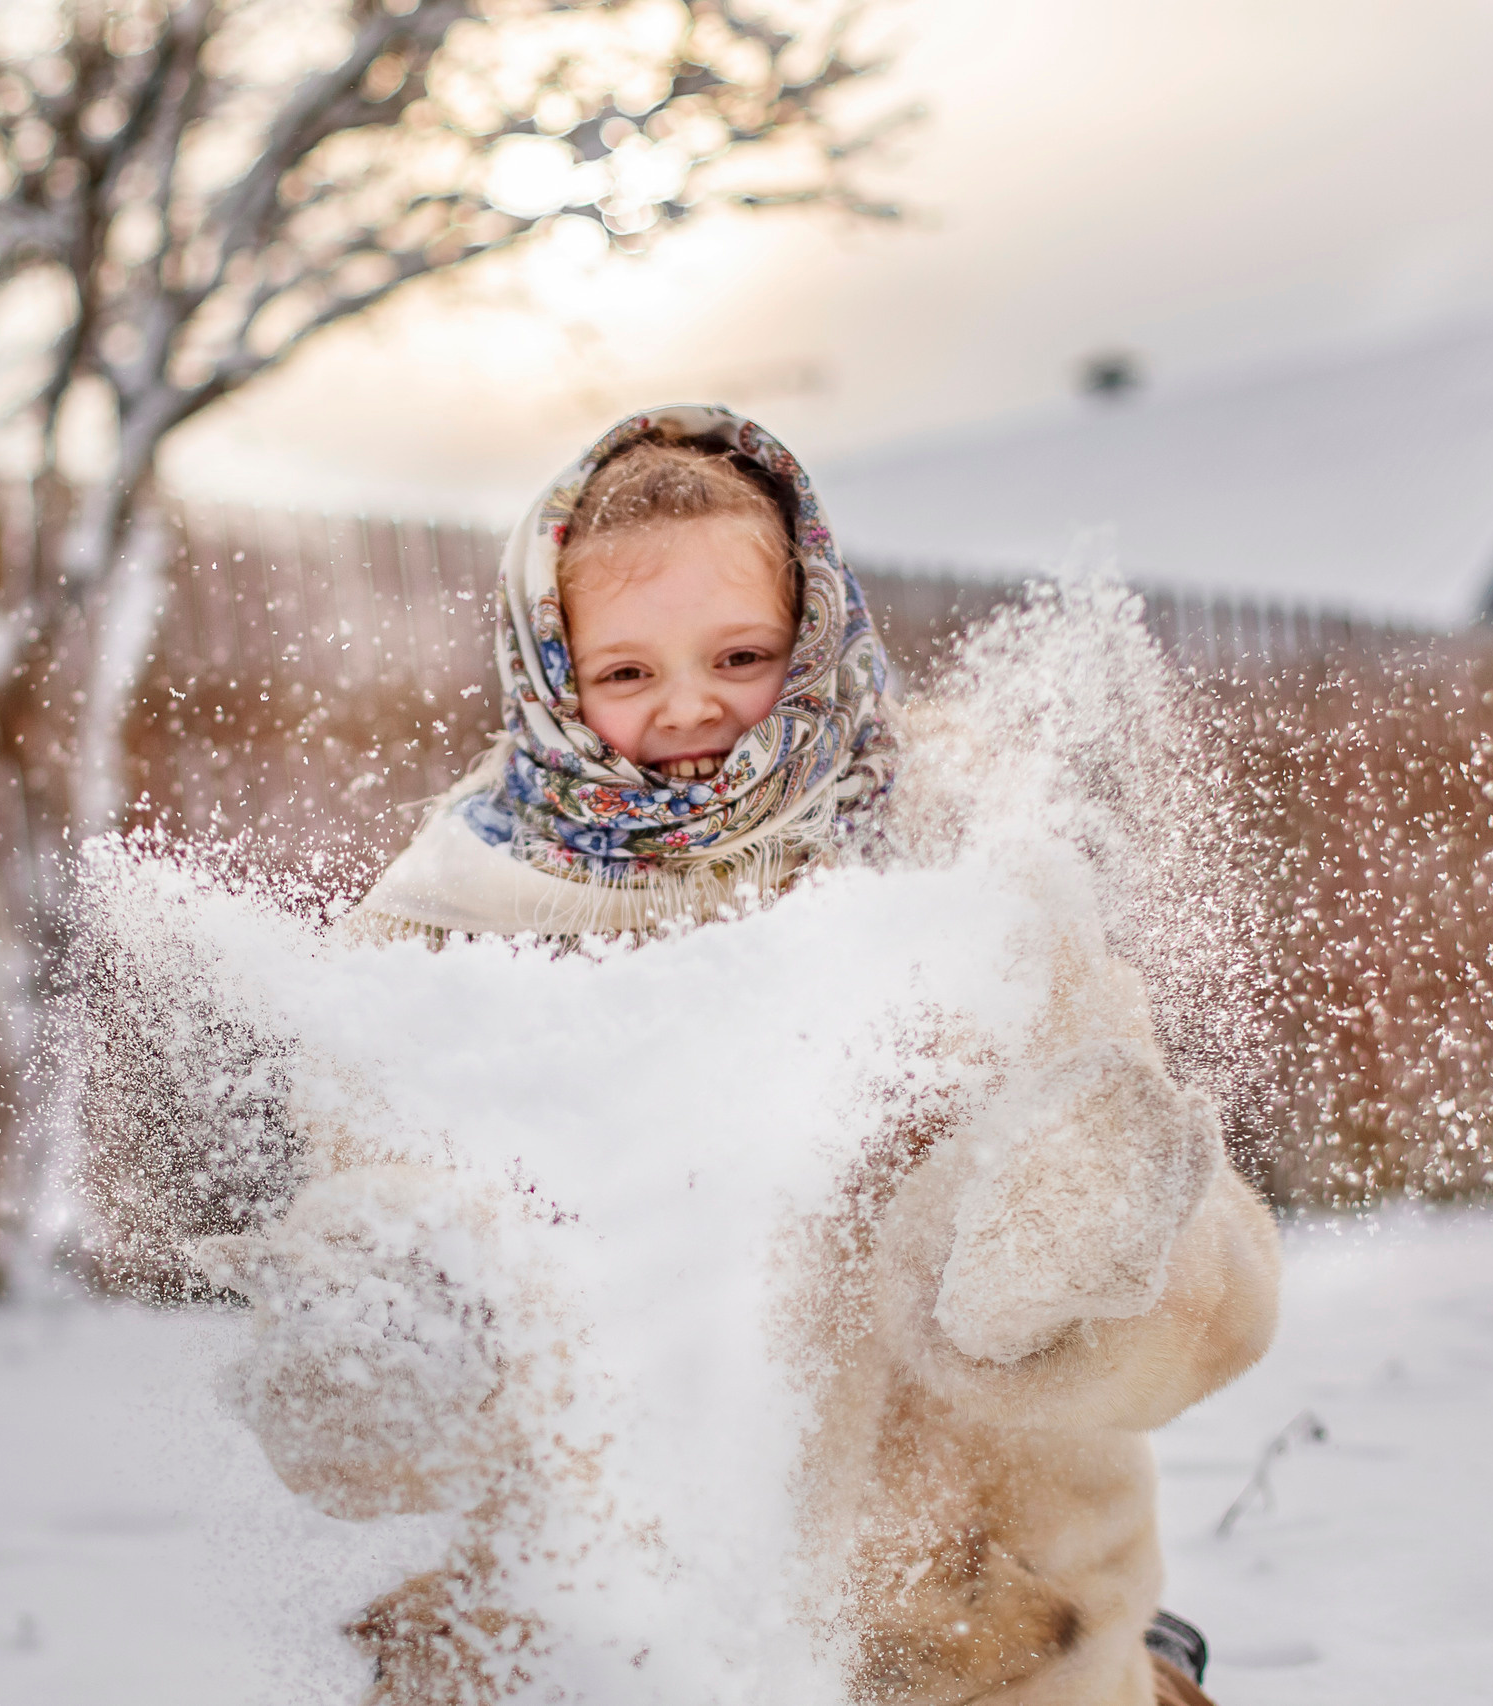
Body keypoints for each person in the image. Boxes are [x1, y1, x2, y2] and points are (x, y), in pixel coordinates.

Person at [224, 406, 1280, 1706]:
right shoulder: (438, 934)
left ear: (814, 627)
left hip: (986, 1648)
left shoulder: (966, 865)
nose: (689, 709)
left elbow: (1216, 1291)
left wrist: (1074, 1254)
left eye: (740, 652)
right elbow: (375, 1292)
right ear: (547, 669)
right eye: (624, 672)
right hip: (604, 1661)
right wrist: (393, 1342)